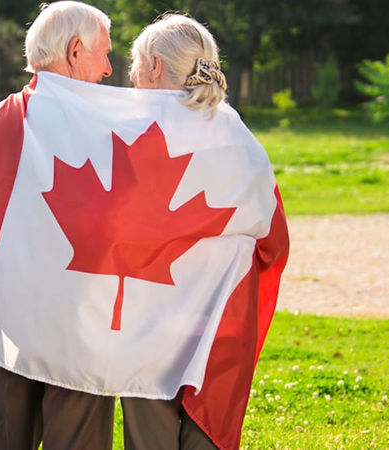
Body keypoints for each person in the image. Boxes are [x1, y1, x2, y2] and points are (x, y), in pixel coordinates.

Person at [0, 2, 116, 450]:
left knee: (6, 439)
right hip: (81, 326)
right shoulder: (107, 128)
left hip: (9, 322)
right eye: (105, 53)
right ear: (75, 50)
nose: (109, 69)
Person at [118, 14, 285, 450]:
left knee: (148, 435)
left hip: (149, 315)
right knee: (208, 434)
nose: (130, 75)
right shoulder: (240, 135)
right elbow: (274, 238)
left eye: (135, 64)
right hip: (222, 315)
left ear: (155, 67)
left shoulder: (133, 133)